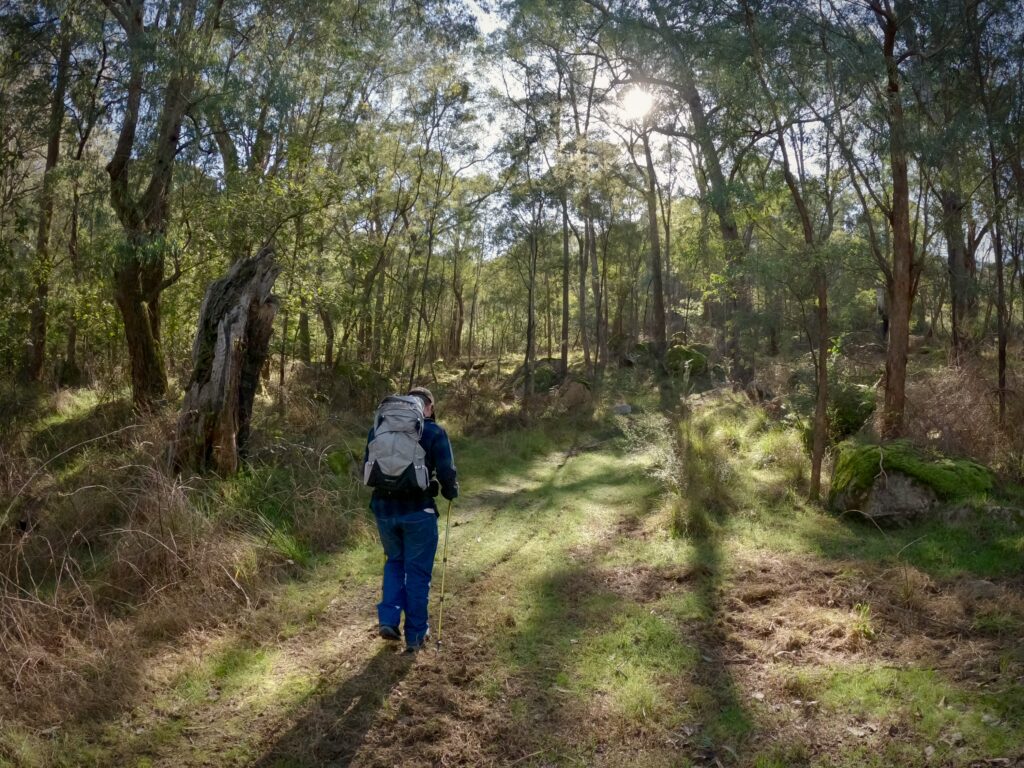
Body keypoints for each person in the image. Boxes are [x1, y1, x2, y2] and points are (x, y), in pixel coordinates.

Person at [365, 386, 458, 652]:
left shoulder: (378, 429)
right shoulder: (433, 431)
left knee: (395, 562)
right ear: (427, 407)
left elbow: (367, 467)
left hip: (384, 510)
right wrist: (450, 492)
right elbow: (447, 473)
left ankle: (388, 619)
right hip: (418, 512)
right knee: (417, 573)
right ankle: (416, 635)